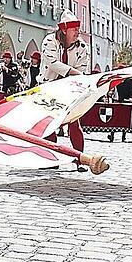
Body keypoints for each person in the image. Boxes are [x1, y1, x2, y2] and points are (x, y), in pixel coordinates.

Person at [39, 10, 90, 171]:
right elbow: (53, 63)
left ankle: (79, 159)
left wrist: (76, 77)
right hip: (49, 87)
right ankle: (51, 159)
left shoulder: (82, 47)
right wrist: (74, 72)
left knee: (74, 124)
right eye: (74, 29)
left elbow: (82, 67)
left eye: (78, 29)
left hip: (70, 89)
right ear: (64, 30)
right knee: (48, 126)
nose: (77, 32)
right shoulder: (49, 41)